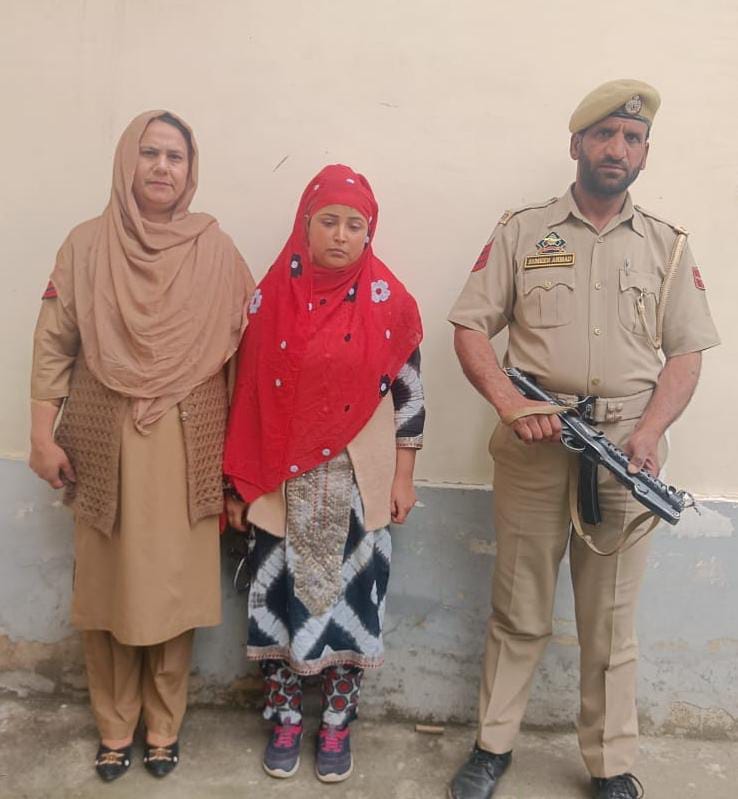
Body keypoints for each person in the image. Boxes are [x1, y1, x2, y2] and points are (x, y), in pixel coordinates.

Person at [446, 80, 719, 799]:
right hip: (536, 446)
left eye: (631, 139)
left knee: (611, 622)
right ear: (577, 145)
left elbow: (687, 353)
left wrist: (651, 431)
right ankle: (491, 747)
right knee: (518, 608)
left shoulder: (667, 245)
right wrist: (509, 403)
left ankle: (609, 763)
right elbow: (470, 325)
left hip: (626, 453)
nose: (616, 148)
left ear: (645, 154)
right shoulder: (523, 232)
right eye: (604, 135)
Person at [29, 110, 254, 782]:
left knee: (173, 593)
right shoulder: (85, 246)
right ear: (127, 162)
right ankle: (113, 724)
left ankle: (163, 726)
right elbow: (53, 344)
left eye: (175, 156)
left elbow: (243, 359)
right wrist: (40, 435)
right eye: (149, 153)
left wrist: (240, 470)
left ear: (191, 170)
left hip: (188, 444)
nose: (161, 167)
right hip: (104, 441)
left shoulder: (217, 251)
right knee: (109, 592)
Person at [223, 164, 424, 783]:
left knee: (353, 601)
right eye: (328, 221)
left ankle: (337, 723)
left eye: (354, 224)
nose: (340, 234)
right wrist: (238, 484)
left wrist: (403, 476)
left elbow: (409, 397)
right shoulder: (269, 301)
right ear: (305, 225)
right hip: (279, 483)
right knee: (276, 598)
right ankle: (284, 717)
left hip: (359, 482)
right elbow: (246, 395)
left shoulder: (391, 303)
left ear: (370, 232)